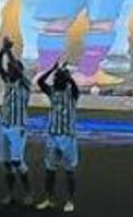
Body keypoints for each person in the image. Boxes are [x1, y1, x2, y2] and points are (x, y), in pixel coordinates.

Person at [36, 62, 80, 213]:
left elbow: (76, 89)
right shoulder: (52, 91)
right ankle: (48, 198)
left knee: (70, 171)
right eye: (56, 78)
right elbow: (40, 82)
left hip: (68, 136)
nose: (56, 80)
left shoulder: (72, 93)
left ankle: (70, 200)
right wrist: (51, 68)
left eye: (59, 78)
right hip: (53, 135)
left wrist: (70, 78)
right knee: (50, 170)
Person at [0, 37, 33, 205]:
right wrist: (3, 51)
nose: (9, 70)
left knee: (17, 161)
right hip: (4, 125)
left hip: (18, 127)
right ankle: (10, 194)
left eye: (12, 68)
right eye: (9, 68)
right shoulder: (8, 82)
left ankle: (28, 193)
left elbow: (17, 72)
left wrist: (8, 51)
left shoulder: (25, 84)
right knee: (7, 163)